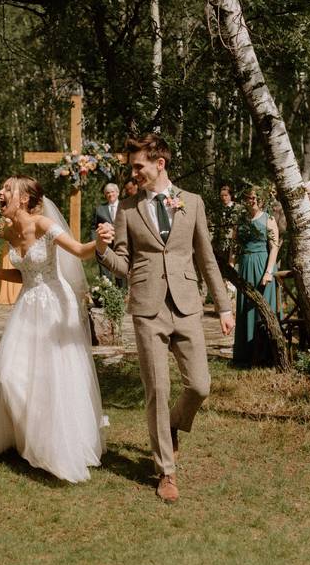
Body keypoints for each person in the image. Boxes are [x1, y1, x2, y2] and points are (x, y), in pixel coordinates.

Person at [96, 133, 234, 503]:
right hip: (147, 307)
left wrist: (223, 306)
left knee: (200, 385)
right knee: (157, 389)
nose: (134, 173)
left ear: (160, 163)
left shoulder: (192, 202)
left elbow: (206, 257)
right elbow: (123, 263)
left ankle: (174, 423)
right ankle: (166, 471)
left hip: (187, 303)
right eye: (131, 168)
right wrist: (100, 249)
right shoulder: (126, 208)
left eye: (138, 166)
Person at [0, 175, 107, 483]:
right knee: (10, 376)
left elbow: (79, 250)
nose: (0, 192)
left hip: (55, 306)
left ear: (23, 199)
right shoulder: (9, 230)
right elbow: (23, 275)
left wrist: (99, 242)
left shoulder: (44, 225)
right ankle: (27, 436)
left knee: (53, 378)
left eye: (7, 188)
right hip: (27, 306)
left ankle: (55, 446)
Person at [232, 187, 280, 365]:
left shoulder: (269, 219)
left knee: (261, 308)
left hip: (262, 265)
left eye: (253, 198)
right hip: (244, 266)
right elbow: (234, 245)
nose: (250, 201)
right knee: (244, 308)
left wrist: (269, 272)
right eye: (247, 198)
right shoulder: (240, 220)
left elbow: (274, 247)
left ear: (261, 200)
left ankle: (264, 355)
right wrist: (231, 266)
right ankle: (244, 354)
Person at [93, 182, 125, 288]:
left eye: (112, 192)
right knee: (105, 270)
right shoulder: (99, 209)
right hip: (105, 244)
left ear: (117, 193)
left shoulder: (125, 206)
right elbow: (93, 227)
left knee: (120, 269)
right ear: (105, 195)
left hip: (122, 243)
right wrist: (95, 242)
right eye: (107, 193)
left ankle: (122, 294)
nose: (110, 195)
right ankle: (106, 295)